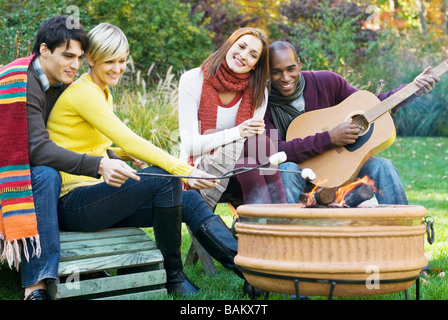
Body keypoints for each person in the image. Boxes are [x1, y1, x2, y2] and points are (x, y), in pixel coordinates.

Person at [46, 22, 243, 296]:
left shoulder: (101, 89)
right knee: (167, 179)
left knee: (187, 200)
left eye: (122, 61)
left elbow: (90, 144)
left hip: (94, 199)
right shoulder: (84, 93)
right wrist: (184, 170)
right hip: (74, 204)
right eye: (109, 62)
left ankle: (249, 268)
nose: (117, 68)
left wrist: (123, 156)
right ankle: (173, 276)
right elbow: (129, 138)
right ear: (90, 59)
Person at [0, 15, 130, 300]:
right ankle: (35, 285)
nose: (75, 65)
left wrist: (113, 155)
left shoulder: (59, 84)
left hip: (29, 168)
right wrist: (97, 165)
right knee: (46, 174)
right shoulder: (21, 81)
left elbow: (70, 138)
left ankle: (93, 262)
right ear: (44, 51)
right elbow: (36, 148)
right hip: (8, 170)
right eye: (67, 56)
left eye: (80, 58)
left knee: (51, 175)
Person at [265, 41, 440, 204]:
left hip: (341, 170)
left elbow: (373, 105)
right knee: (286, 169)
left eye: (291, 69)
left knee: (383, 166)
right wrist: (329, 138)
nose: (285, 77)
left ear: (299, 65)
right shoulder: (264, 104)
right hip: (300, 177)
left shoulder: (327, 82)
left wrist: (412, 89)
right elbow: (275, 150)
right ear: (267, 72)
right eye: (276, 72)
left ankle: (401, 229)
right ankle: (287, 232)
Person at [178, 28, 286, 211]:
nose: (244, 56)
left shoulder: (258, 91)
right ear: (229, 45)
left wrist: (244, 134)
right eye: (241, 47)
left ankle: (267, 224)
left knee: (254, 154)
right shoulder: (192, 80)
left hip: (242, 167)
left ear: (255, 65)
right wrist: (239, 131)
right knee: (261, 143)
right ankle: (281, 217)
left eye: (253, 55)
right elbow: (190, 145)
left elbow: (252, 142)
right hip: (201, 165)